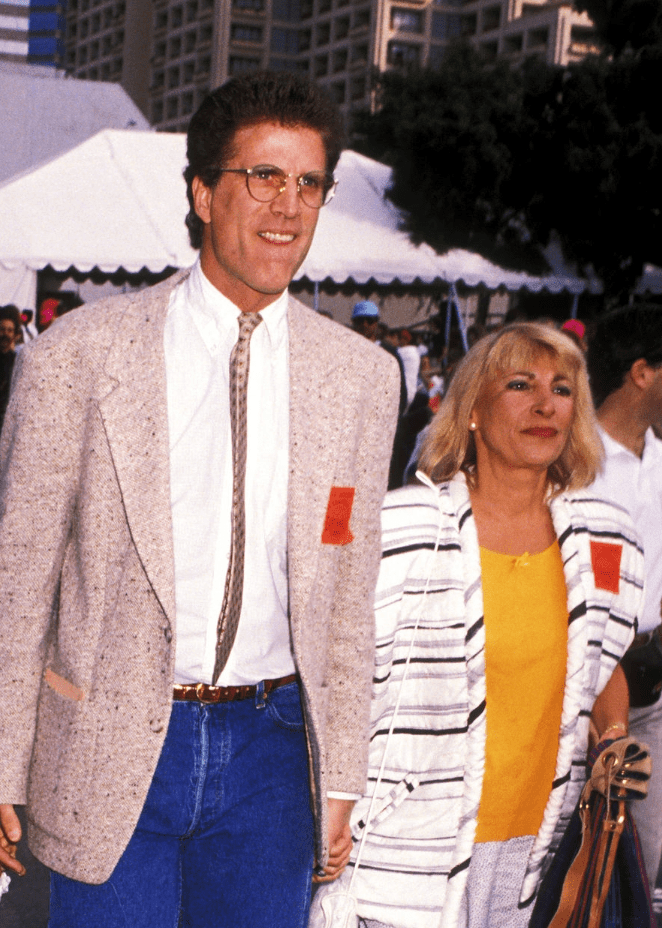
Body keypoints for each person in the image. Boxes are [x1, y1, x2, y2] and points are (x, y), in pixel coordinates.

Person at [0, 71, 400, 928]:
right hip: (108, 742)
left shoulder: (363, 378)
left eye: (307, 183)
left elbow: (346, 602)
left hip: (274, 755)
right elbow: (18, 577)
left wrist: (345, 775)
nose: (286, 206)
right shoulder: (79, 356)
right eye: (262, 176)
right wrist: (1, 760)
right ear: (203, 192)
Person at [312, 321, 643, 928]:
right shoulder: (404, 530)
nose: (546, 404)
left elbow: (601, 664)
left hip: (534, 852)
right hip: (407, 847)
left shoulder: (602, 537)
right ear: (470, 410)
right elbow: (335, 678)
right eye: (521, 384)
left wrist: (615, 736)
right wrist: (334, 804)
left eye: (562, 389)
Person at [587, 304, 662, 892]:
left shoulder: (660, 457)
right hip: (583, 692)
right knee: (575, 865)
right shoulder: (571, 458)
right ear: (642, 371)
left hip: (653, 691)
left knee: (642, 865)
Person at [0, 305, 20, 435]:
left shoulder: (17, 361)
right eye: (2, 329)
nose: (5, 334)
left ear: (14, 335)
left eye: (9, 330)